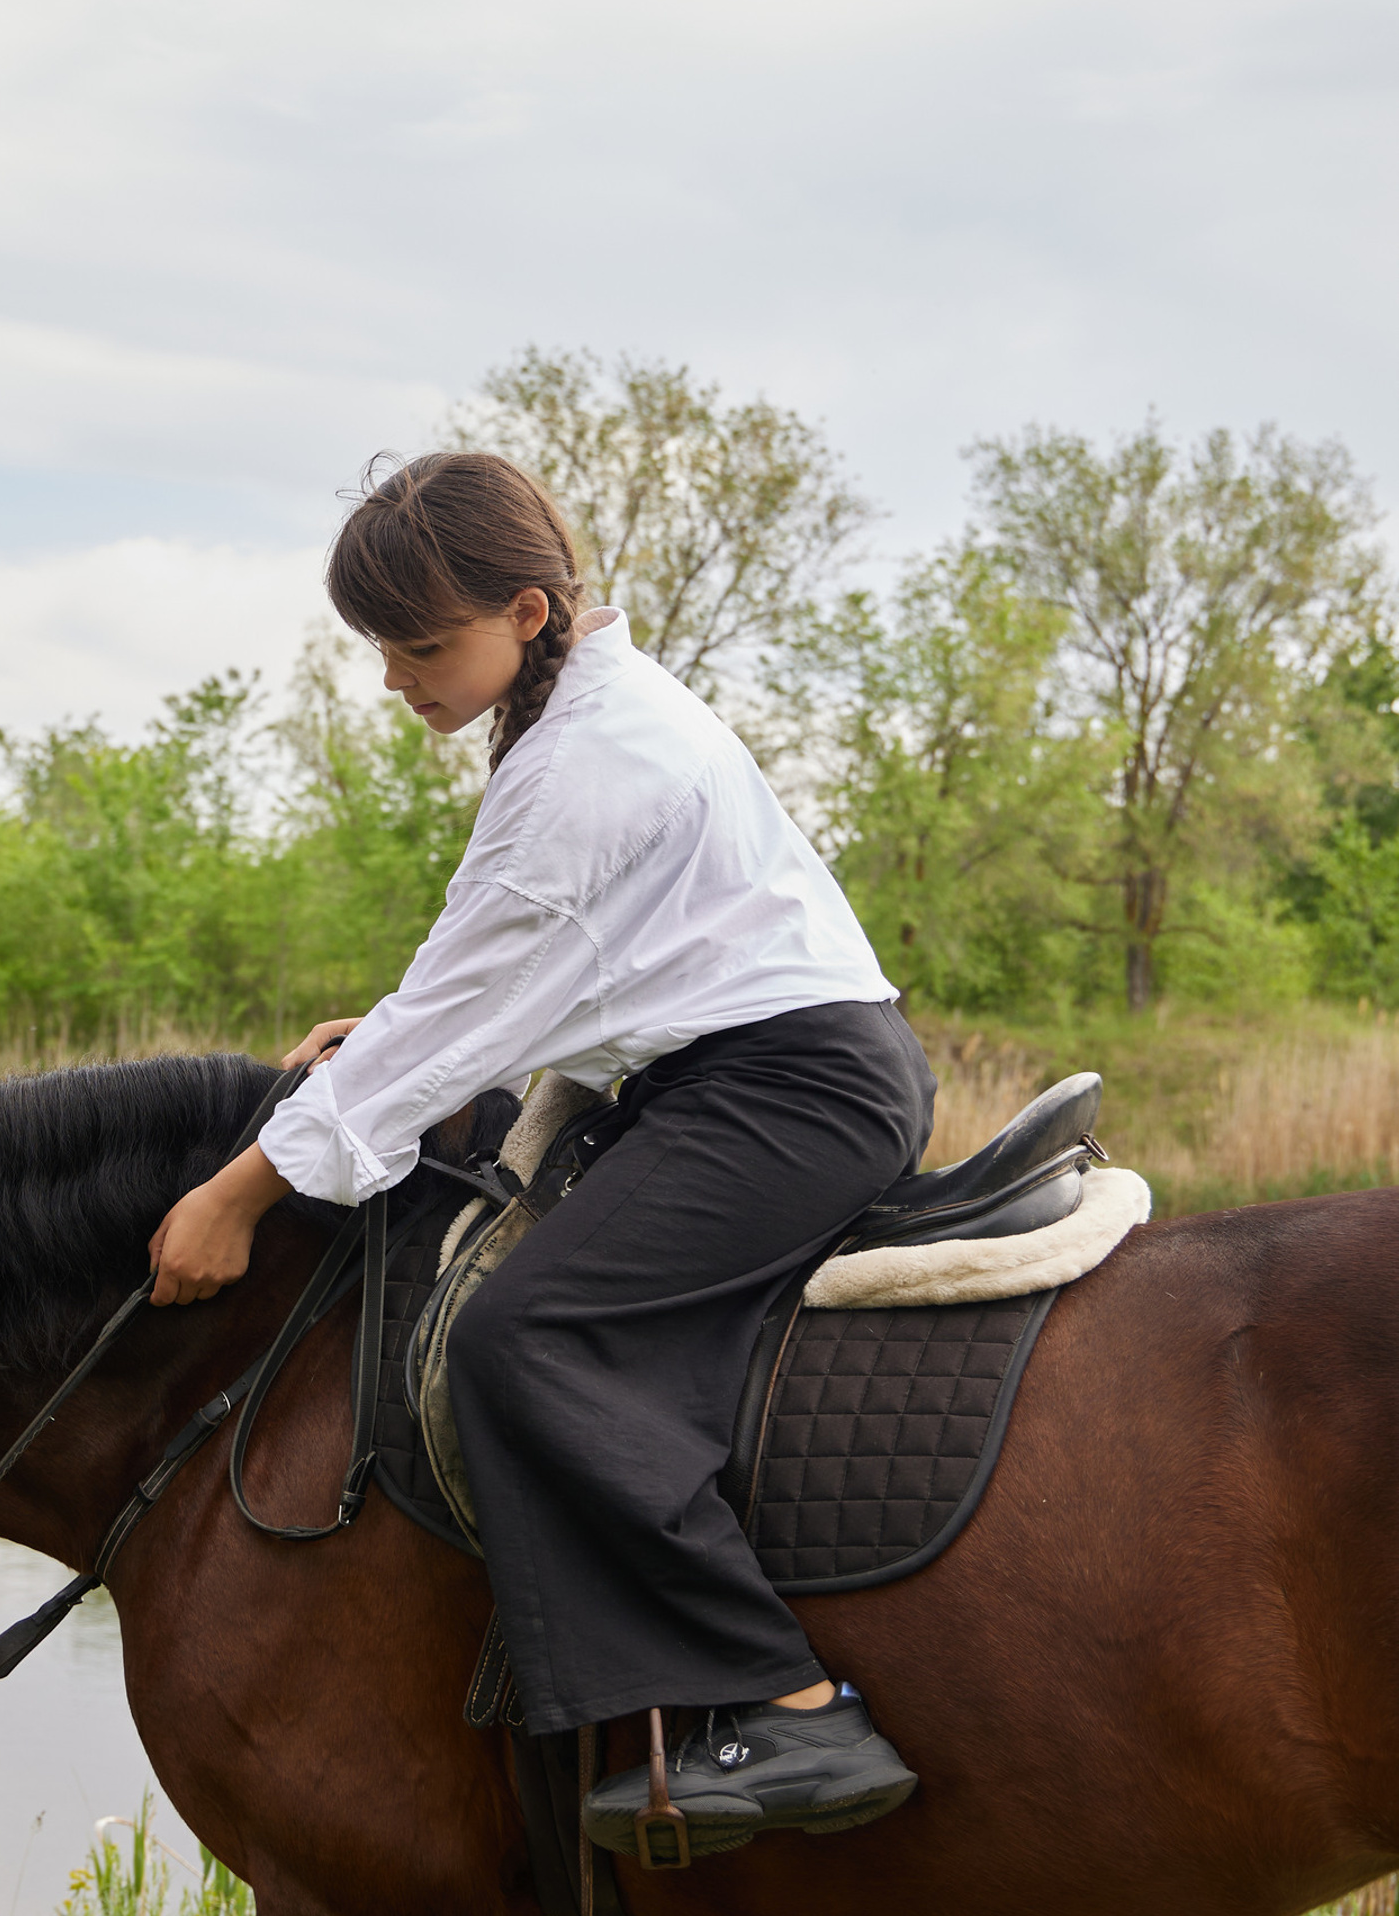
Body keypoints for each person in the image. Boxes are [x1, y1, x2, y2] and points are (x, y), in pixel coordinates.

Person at [147, 450, 935, 1859]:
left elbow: (478, 989)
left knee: (528, 1338)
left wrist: (236, 1189)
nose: (397, 678)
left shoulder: (590, 759)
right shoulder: (576, 713)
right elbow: (504, 979)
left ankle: (792, 1699)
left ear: (524, 609)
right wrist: (393, 1034)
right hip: (729, 1075)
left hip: (785, 1090)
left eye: (420, 644)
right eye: (381, 651)